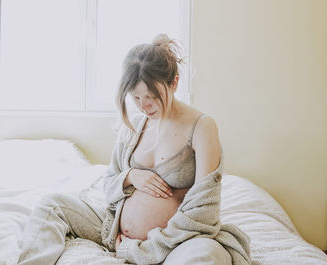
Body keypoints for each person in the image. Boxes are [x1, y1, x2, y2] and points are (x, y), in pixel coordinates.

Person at [17, 34, 251, 265]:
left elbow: (203, 212)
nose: (144, 106)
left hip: (178, 241)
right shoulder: (135, 125)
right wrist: (130, 177)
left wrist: (138, 250)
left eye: (151, 96)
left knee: (206, 254)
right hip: (113, 228)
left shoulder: (201, 127)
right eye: (136, 97)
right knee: (52, 204)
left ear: (174, 83)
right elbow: (108, 184)